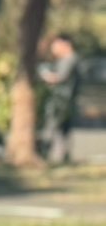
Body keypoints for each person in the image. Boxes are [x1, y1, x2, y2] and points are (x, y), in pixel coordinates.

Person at [38, 33, 81, 166]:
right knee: (62, 132)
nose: (54, 49)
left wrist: (44, 74)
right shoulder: (64, 60)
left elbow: (59, 78)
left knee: (52, 129)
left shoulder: (71, 59)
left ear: (66, 44)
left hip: (61, 102)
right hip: (63, 101)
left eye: (56, 46)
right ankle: (61, 158)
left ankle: (50, 157)